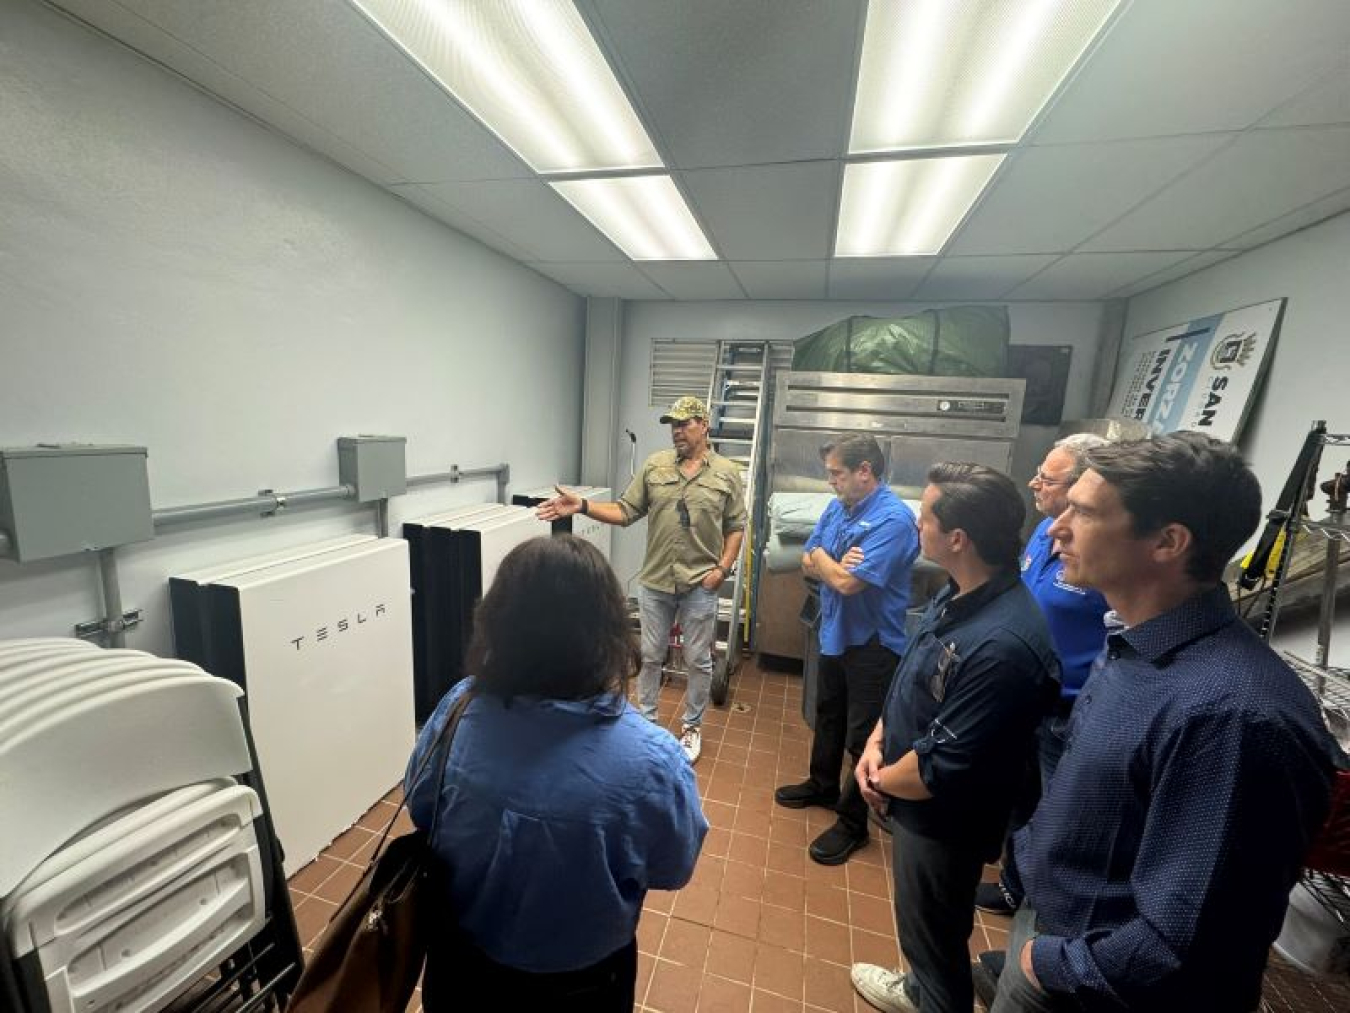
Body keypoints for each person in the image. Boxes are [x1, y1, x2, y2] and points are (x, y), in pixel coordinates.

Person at [990, 432, 1341, 1013]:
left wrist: (1046, 965)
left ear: (1167, 542)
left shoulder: (1234, 719)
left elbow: (1193, 941)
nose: (1056, 529)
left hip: (1095, 986)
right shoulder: (1134, 644)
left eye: (1083, 512)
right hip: (1059, 935)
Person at [404, 535, 708, 1012]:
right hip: (584, 985)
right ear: (607, 631)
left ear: (498, 622)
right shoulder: (654, 761)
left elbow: (422, 807)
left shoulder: (458, 710)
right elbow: (673, 868)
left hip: (460, 968)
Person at [850, 463, 1060, 1013]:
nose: (917, 526)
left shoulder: (1005, 644)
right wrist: (877, 741)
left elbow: (938, 768)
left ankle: (935, 998)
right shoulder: (960, 594)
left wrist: (876, 778)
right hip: (910, 795)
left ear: (957, 538)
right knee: (923, 929)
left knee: (935, 936)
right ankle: (920, 988)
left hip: (943, 820)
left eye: (924, 518)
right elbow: (910, 681)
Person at [538, 395, 746, 764]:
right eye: (672, 425)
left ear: (704, 425)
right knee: (650, 656)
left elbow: (735, 526)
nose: (676, 431)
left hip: (701, 582)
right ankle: (647, 722)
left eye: (684, 424)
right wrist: (583, 506)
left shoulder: (726, 472)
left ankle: (692, 726)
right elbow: (625, 510)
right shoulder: (655, 466)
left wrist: (722, 569)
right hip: (656, 581)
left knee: (699, 660)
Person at [974, 434, 1111, 935]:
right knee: (1019, 798)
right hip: (1023, 699)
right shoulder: (1041, 534)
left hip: (1067, 712)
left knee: (1056, 814)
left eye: (1047, 479)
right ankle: (1014, 883)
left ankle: (1042, 911)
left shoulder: (1101, 556)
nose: (1034, 483)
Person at [774, 434, 918, 866]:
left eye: (836, 472)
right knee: (828, 713)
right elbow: (807, 557)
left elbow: (846, 583)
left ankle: (853, 824)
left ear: (865, 471)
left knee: (862, 736)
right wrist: (826, 557)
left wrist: (824, 561)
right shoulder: (840, 508)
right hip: (836, 632)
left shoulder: (893, 520)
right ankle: (822, 784)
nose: (830, 481)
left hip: (873, 644)